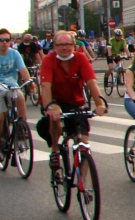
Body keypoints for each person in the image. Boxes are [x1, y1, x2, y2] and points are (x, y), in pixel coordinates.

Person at [38, 31, 107, 171]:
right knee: (55, 119)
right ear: (54, 47)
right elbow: (45, 86)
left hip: (74, 103)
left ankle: (84, 185)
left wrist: (100, 103)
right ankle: (55, 151)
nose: (64, 48)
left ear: (74, 45)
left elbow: (91, 83)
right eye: (60, 45)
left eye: (68, 44)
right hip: (54, 100)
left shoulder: (81, 58)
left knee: (83, 143)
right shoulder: (48, 60)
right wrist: (51, 107)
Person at [0, 29, 32, 162]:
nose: (4, 43)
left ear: (10, 42)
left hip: (11, 85)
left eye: (7, 40)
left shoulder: (14, 54)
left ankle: (22, 126)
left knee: (20, 96)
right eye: (1, 40)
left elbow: (23, 69)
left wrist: (28, 82)